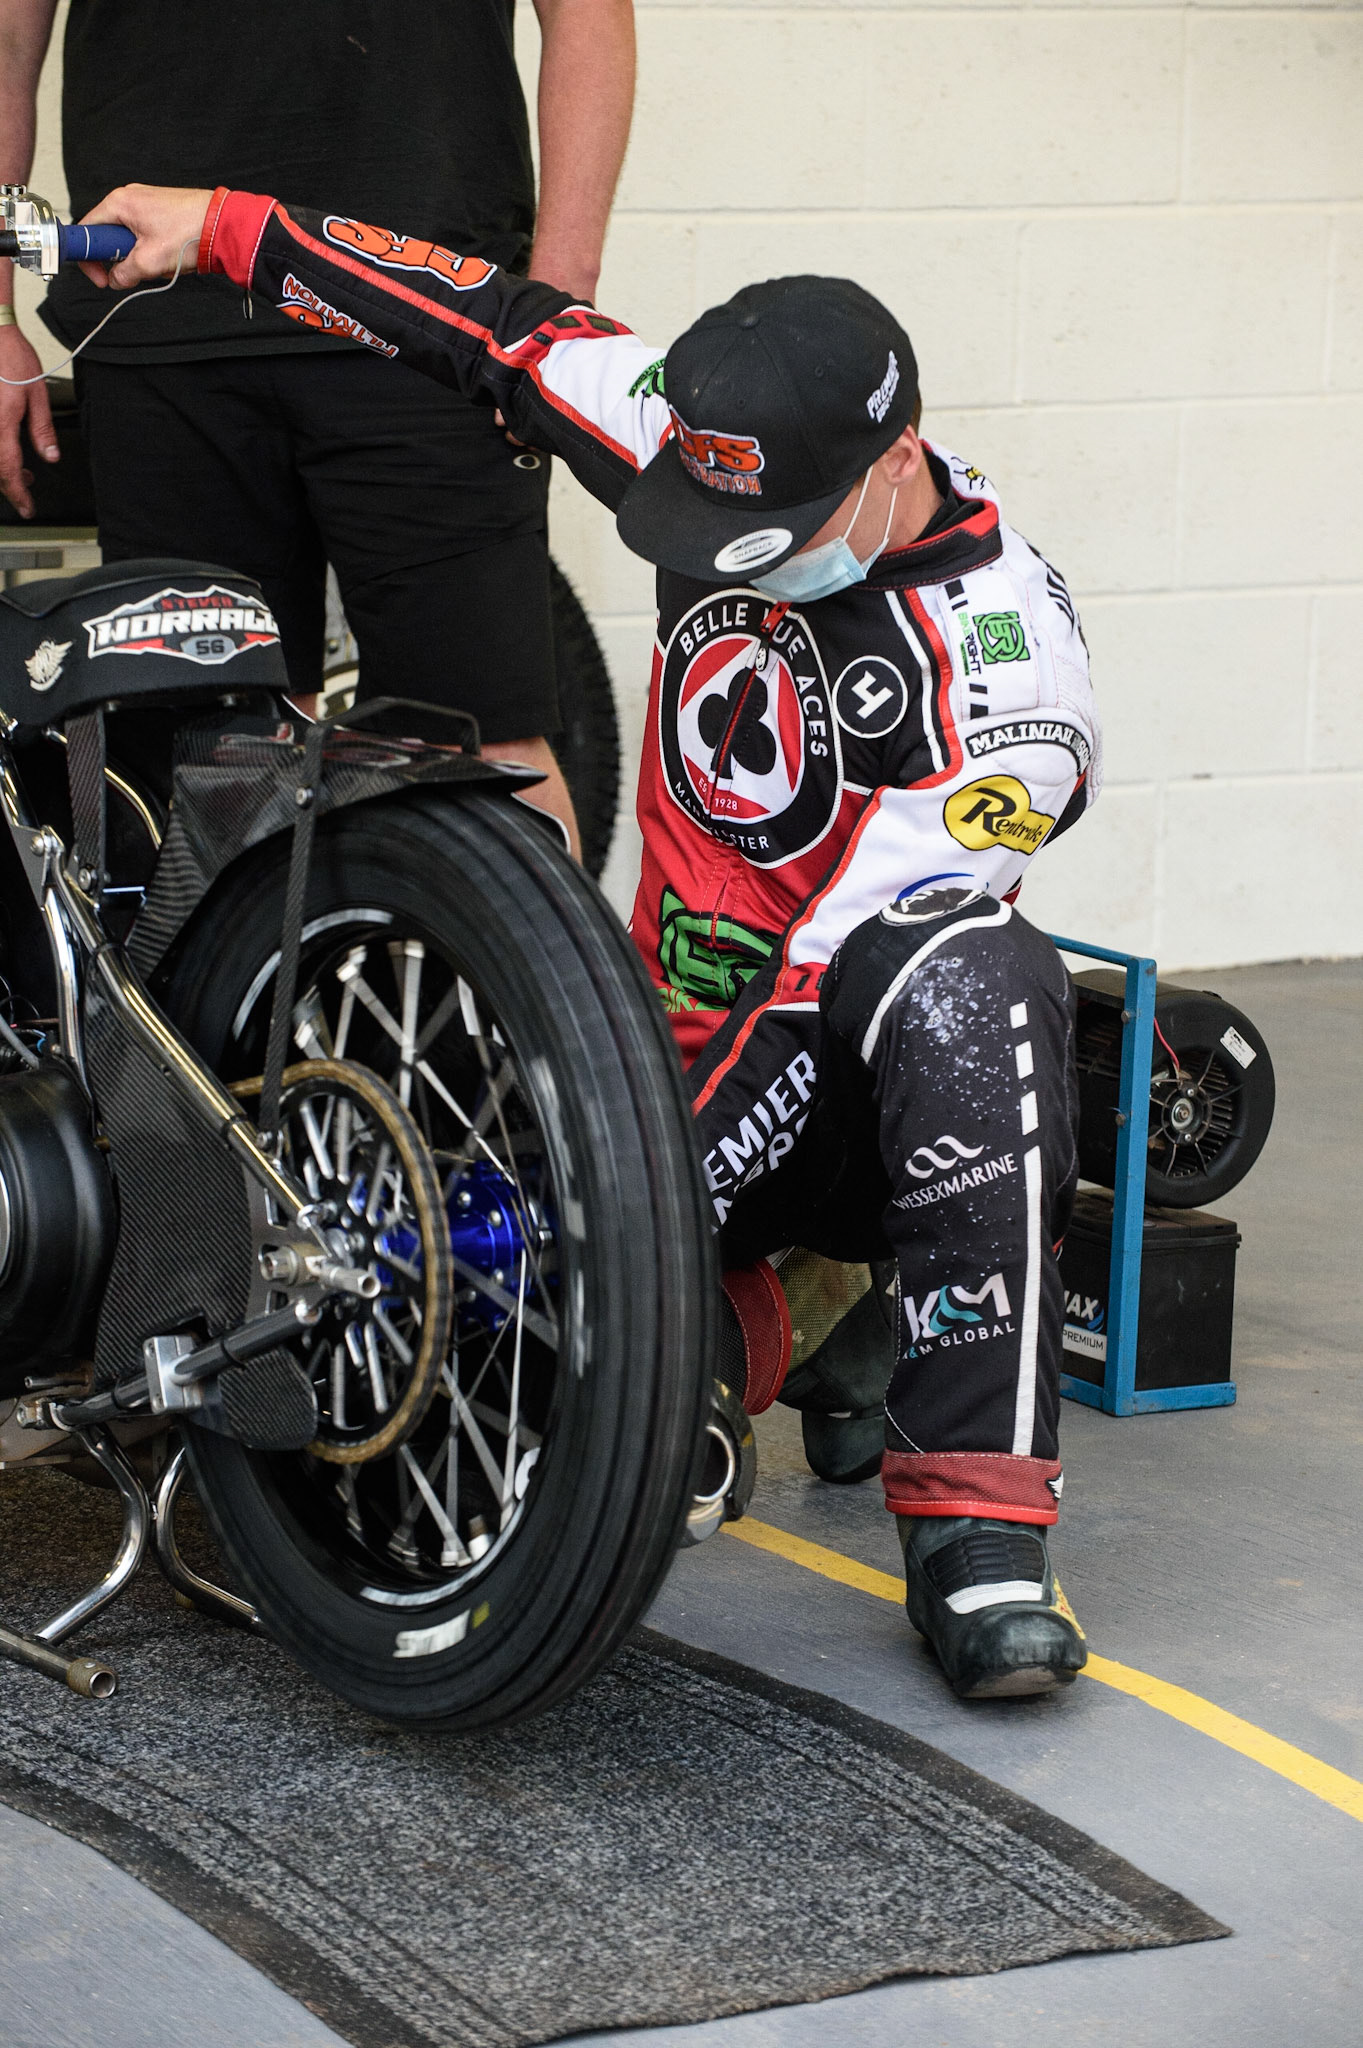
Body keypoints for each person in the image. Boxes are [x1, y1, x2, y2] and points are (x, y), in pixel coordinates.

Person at [82, 182, 1101, 1702]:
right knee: (502, 1381)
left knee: (973, 985)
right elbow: (483, 321)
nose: (726, 557)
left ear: (895, 461)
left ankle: (977, 1528)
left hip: (846, 1078)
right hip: (668, 1054)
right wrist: (226, 230)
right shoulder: (706, 440)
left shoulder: (1010, 683)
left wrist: (621, 1210)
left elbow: (815, 989)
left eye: (763, 538)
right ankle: (806, 1317)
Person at [0, 0, 638, 856]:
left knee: (485, 752)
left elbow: (588, 13)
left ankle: (535, 956)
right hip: (158, 319)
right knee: (213, 761)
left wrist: (551, 315)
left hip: (426, 311)